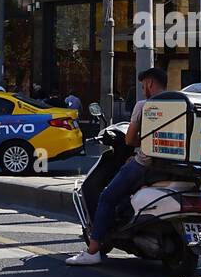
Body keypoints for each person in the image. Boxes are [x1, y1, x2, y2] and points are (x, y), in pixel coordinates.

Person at [66, 65, 168, 266]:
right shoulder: (179, 104)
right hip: (171, 167)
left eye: (143, 85)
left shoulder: (144, 105)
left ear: (149, 83)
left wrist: (144, 145)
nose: (143, 89)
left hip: (145, 165)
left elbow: (129, 139)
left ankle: (93, 251)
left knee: (106, 198)